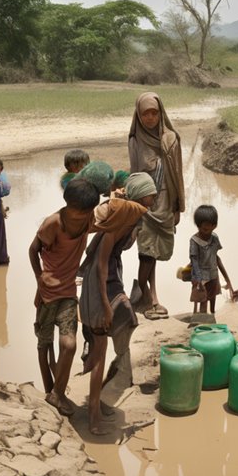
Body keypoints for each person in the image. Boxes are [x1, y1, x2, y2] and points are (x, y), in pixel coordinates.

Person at [80, 172, 156, 435]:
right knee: (102, 342)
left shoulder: (132, 215)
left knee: (126, 320)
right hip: (98, 281)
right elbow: (100, 262)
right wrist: (103, 303)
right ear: (137, 196)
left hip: (112, 276)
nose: (154, 199)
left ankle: (102, 393)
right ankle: (92, 415)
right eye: (150, 195)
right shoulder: (120, 218)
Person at [29, 178, 100, 414]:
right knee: (44, 344)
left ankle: (57, 393)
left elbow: (112, 216)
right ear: (66, 204)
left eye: (84, 214)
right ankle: (50, 390)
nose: (80, 219)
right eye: (76, 213)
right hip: (48, 294)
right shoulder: (53, 224)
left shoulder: (90, 219)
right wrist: (40, 279)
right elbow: (33, 249)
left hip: (69, 292)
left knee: (68, 344)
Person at [128, 92, 185, 320]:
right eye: (145, 114)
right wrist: (133, 208)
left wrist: (178, 206)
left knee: (156, 254)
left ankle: (151, 298)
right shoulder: (135, 140)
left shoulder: (171, 139)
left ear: (161, 113)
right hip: (144, 205)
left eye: (154, 113)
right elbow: (134, 175)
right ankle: (144, 299)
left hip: (165, 202)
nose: (150, 118)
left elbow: (178, 175)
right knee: (145, 254)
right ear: (139, 115)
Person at [189, 205, 235, 315]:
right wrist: (199, 280)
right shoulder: (194, 241)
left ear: (214, 226)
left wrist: (227, 280)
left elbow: (216, 258)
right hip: (200, 276)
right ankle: (202, 322)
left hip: (213, 274)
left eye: (207, 229)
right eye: (201, 228)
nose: (204, 231)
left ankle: (212, 316)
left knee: (212, 298)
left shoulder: (214, 238)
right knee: (203, 301)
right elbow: (194, 261)